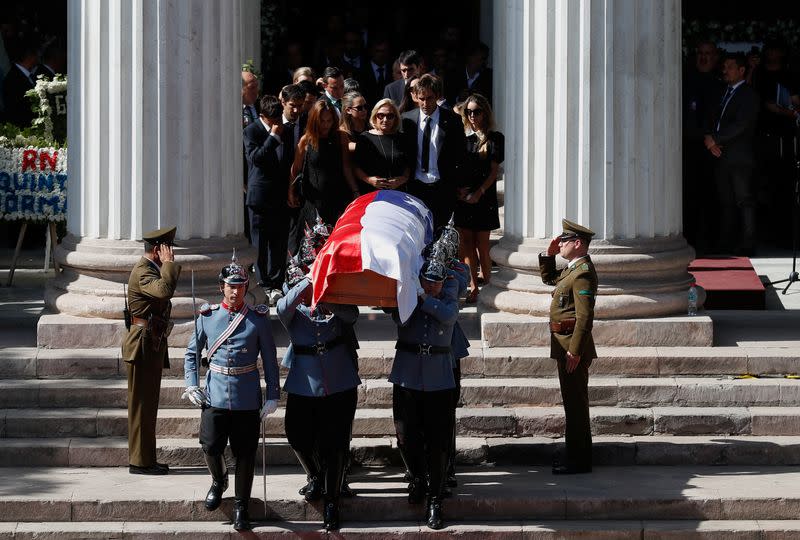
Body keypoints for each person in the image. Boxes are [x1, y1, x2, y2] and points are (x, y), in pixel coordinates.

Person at [183, 256, 280, 531]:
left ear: (246, 286)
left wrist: (273, 395)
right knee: (211, 446)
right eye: (230, 286)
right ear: (221, 287)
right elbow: (192, 353)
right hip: (214, 393)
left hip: (247, 396)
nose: (235, 291)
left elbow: (270, 360)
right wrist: (192, 384)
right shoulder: (208, 316)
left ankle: (241, 506)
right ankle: (219, 480)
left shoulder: (257, 319)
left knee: (246, 453)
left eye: (240, 285)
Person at [277, 262, 360, 531]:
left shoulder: (334, 300)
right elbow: (281, 308)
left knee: (335, 444)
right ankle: (315, 475)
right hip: (304, 381)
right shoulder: (294, 309)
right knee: (296, 434)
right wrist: (308, 282)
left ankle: (332, 501)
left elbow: (352, 315)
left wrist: (326, 294)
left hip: (338, 380)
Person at [389, 251, 459, 530]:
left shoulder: (446, 299)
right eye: (427, 281)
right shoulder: (409, 299)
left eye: (437, 282)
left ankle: (435, 498)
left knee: (439, 441)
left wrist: (423, 298)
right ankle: (417, 477)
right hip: (407, 375)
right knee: (406, 436)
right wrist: (406, 290)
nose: (432, 286)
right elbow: (398, 317)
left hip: (439, 378)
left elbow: (448, 316)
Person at [539, 219, 598, 475]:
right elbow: (550, 279)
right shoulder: (572, 269)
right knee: (572, 403)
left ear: (578, 243)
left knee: (575, 405)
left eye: (564, 240)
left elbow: (585, 317)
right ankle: (576, 454)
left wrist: (574, 350)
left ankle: (579, 460)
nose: (559, 243)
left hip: (571, 348)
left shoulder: (583, 272)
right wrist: (548, 255)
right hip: (565, 346)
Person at [121, 226, 181, 475]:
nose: (171, 254)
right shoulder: (144, 272)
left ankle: (146, 459)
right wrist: (168, 265)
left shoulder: (149, 269)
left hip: (150, 342)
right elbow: (164, 291)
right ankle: (139, 462)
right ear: (158, 250)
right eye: (168, 249)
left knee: (148, 406)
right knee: (142, 407)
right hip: (142, 345)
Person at [704, 52, 760, 255]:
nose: (724, 70)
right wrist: (710, 139)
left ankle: (747, 243)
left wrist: (715, 139)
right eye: (724, 66)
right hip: (721, 155)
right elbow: (714, 119)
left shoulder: (748, 94)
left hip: (739, 157)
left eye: (730, 66)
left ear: (742, 70)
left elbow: (741, 124)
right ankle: (726, 243)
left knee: (744, 200)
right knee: (726, 202)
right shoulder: (723, 92)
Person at [455, 94, 503, 303]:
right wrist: (458, 190)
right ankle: (473, 286)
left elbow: (493, 172)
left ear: (485, 112)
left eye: (477, 111)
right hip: (463, 197)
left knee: (482, 245)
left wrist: (478, 193)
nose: (473, 116)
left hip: (484, 197)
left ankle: (490, 286)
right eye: (469, 112)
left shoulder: (495, 138)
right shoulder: (461, 138)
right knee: (466, 244)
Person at [244, 94, 292, 306]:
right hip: (260, 197)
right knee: (260, 243)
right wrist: (272, 138)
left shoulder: (286, 129)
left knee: (279, 242)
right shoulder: (251, 131)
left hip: (281, 195)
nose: (277, 123)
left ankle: (277, 282)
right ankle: (263, 284)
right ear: (263, 116)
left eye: (278, 119)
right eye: (272, 120)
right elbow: (256, 159)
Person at [401, 74, 466, 228]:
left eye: (429, 98)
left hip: (442, 186)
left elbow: (461, 153)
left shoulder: (452, 120)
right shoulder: (407, 120)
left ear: (437, 96)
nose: (425, 103)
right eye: (421, 98)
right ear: (416, 97)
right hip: (416, 186)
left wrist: (460, 184)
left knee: (440, 232)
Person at [290, 99, 358, 233]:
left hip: (337, 198)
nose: (326, 125)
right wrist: (290, 192)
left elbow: (346, 167)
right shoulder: (307, 140)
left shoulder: (341, 137)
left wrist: (355, 191)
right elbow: (296, 168)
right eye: (322, 121)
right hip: (314, 201)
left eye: (329, 121)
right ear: (315, 120)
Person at [353, 98, 410, 194]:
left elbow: (408, 165)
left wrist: (403, 179)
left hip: (398, 192)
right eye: (381, 115)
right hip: (372, 193)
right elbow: (355, 167)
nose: (385, 120)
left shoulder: (402, 138)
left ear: (395, 118)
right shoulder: (364, 138)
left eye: (390, 116)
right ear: (375, 116)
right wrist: (369, 180)